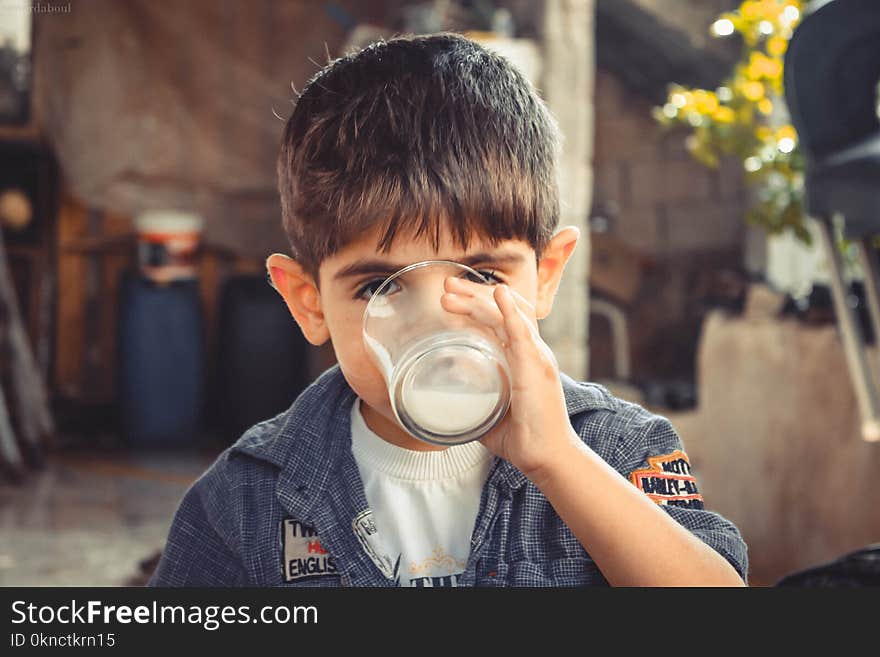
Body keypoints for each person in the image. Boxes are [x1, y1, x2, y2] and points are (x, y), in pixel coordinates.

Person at [149, 32, 747, 587]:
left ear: (545, 276)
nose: (437, 318)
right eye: (379, 286)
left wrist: (560, 461)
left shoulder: (617, 451)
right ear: (310, 304)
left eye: (481, 276)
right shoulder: (246, 500)